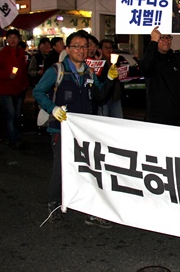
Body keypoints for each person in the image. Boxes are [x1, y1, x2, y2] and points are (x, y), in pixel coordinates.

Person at [33, 31, 118, 227]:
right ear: (68, 49)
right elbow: (38, 92)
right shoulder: (57, 71)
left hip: (84, 132)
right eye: (77, 46)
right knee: (61, 169)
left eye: (84, 46)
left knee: (89, 170)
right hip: (61, 130)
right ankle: (54, 205)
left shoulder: (88, 71)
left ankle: (92, 211)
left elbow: (100, 96)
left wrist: (111, 79)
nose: (81, 50)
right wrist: (52, 108)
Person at [139, 26, 180, 127]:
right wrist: (153, 42)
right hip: (157, 116)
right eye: (162, 38)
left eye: (168, 37)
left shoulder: (176, 58)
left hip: (178, 115)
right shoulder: (151, 59)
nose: (166, 40)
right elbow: (145, 68)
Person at [0, 29, 29, 149]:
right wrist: (8, 75)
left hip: (19, 88)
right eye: (10, 37)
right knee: (11, 114)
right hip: (6, 89)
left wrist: (25, 84)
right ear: (7, 39)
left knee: (16, 114)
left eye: (15, 37)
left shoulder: (22, 53)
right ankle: (13, 139)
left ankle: (15, 136)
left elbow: (24, 71)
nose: (13, 40)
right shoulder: (2, 54)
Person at [96, 38, 126, 118]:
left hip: (116, 97)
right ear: (100, 50)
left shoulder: (117, 61)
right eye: (106, 47)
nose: (109, 50)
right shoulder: (99, 63)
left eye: (110, 47)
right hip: (104, 98)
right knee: (104, 122)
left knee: (118, 121)